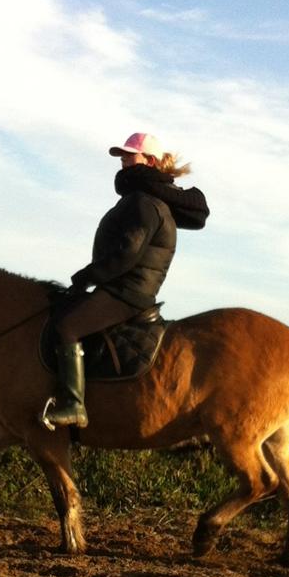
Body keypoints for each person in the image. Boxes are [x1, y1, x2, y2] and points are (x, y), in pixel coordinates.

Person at [42, 131, 209, 429]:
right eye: (122, 155)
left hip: (126, 293)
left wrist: (86, 276)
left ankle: (73, 405)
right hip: (126, 289)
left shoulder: (144, 202)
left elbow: (127, 254)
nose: (123, 160)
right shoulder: (147, 200)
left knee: (66, 327)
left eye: (130, 154)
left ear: (151, 160)